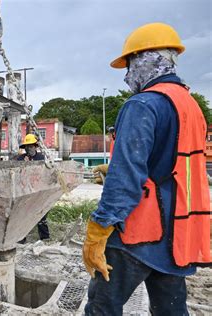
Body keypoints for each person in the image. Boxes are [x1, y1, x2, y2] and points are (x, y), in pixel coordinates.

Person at [83, 23, 211, 315]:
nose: (128, 75)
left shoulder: (142, 105)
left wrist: (100, 226)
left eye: (129, 64)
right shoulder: (190, 105)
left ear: (146, 58)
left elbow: (127, 179)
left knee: (103, 307)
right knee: (171, 310)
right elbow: (169, 165)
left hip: (138, 233)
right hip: (176, 235)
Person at [16, 133, 50, 242]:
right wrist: (24, 165)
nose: (28, 148)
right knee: (23, 216)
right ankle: (21, 240)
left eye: (30, 146)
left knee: (41, 215)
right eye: (26, 146)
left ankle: (45, 238)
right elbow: (17, 174)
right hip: (25, 191)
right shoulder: (20, 159)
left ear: (35, 146)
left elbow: (46, 172)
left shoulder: (41, 157)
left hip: (39, 190)